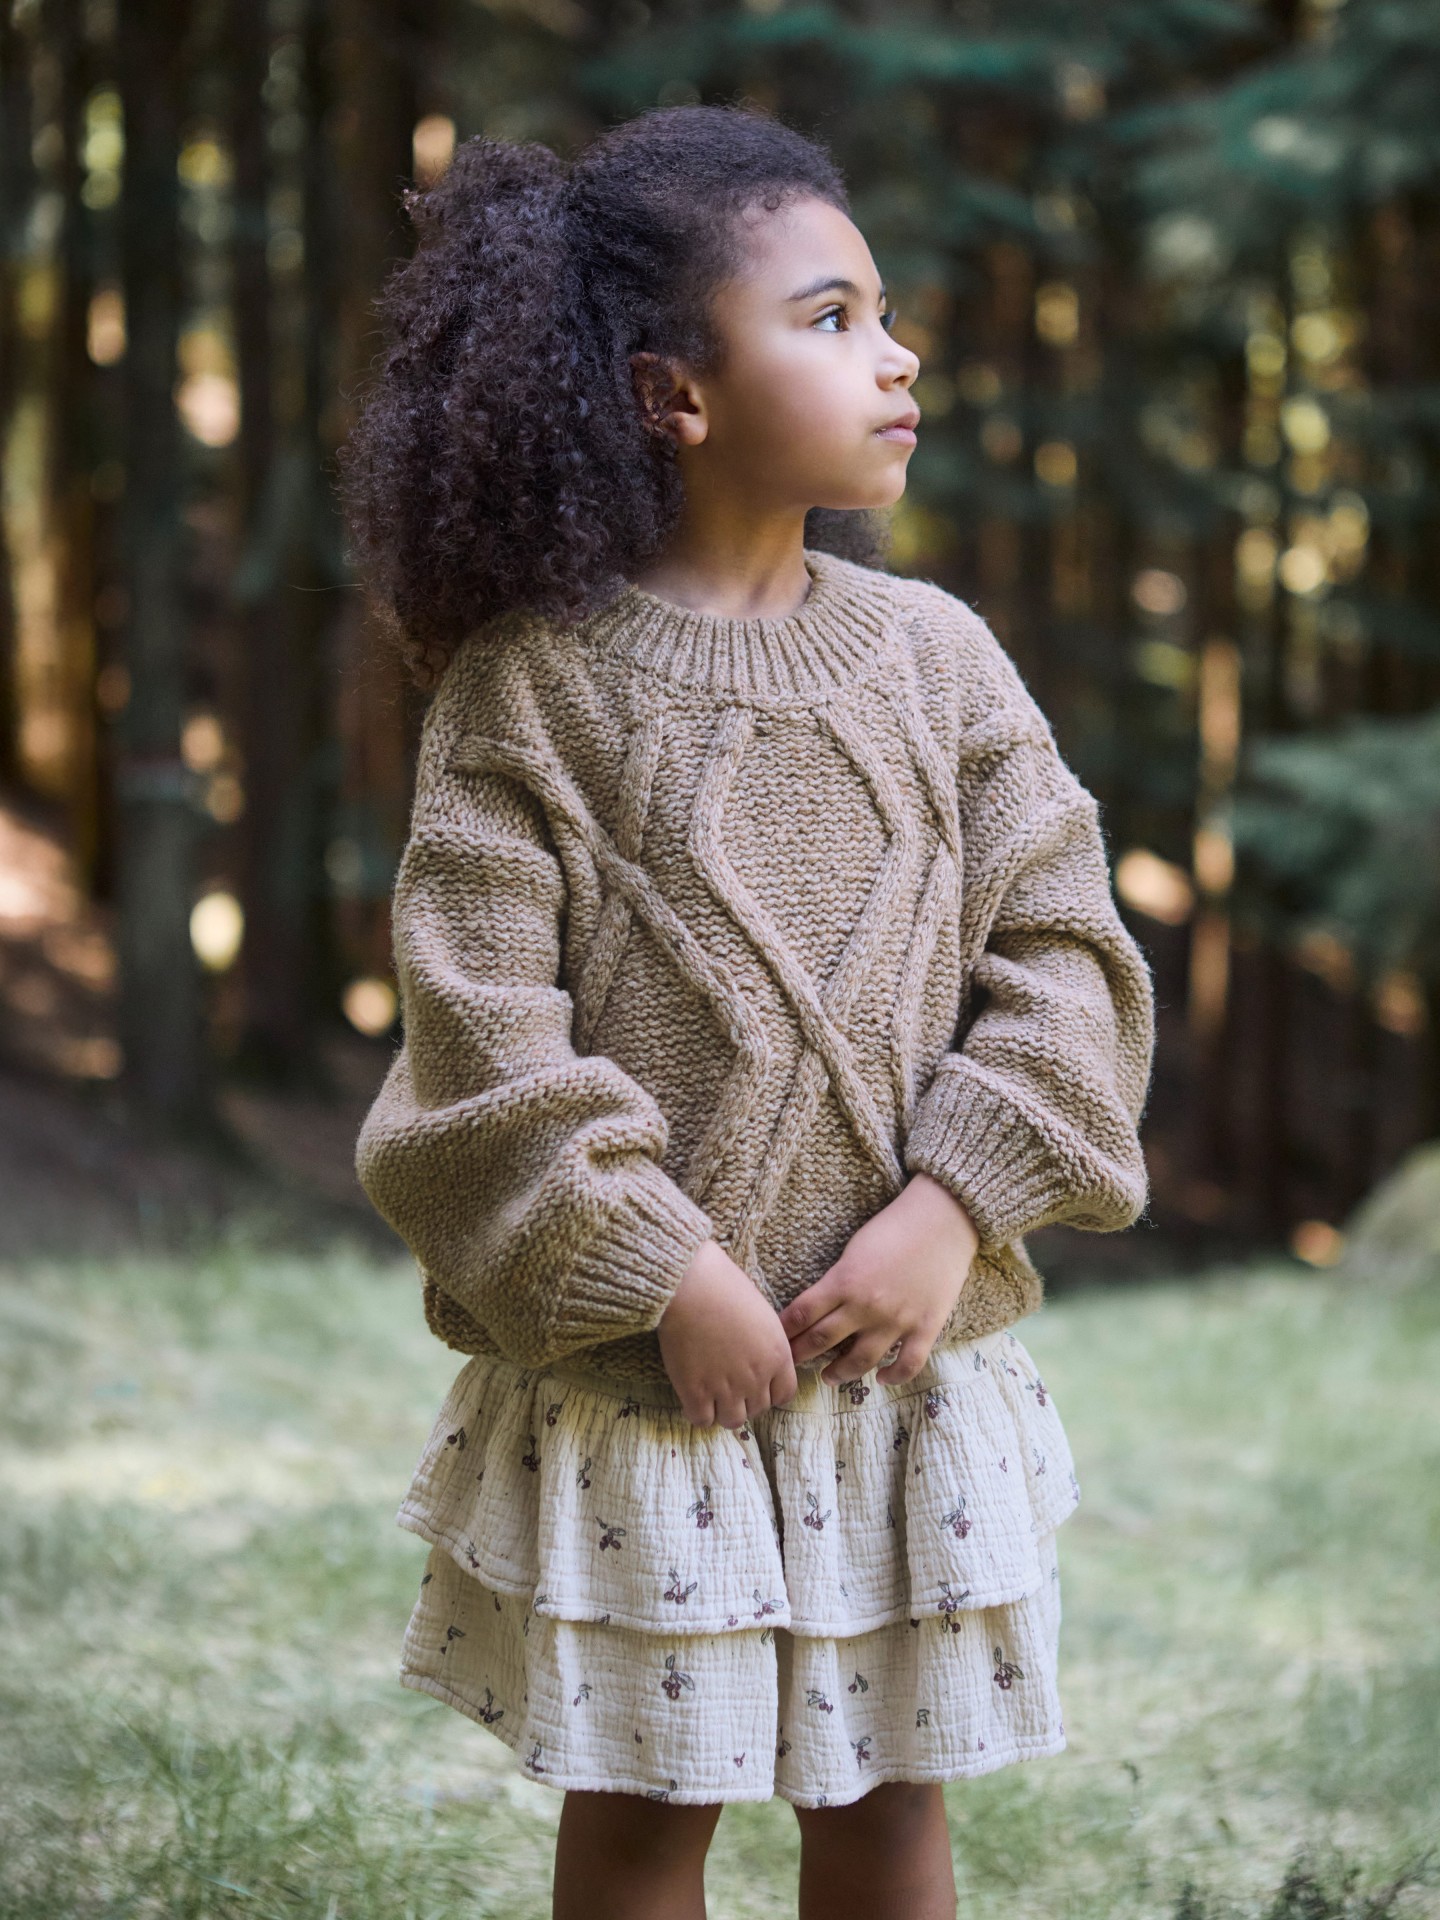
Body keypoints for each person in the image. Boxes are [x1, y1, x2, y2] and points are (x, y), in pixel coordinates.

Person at [340, 101, 1154, 1920]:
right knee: (643, 1827)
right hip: (656, 1401)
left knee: (888, 1821)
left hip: (899, 1383)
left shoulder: (937, 659)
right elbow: (484, 1038)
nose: (898, 350)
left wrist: (952, 1214)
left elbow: (1069, 956)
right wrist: (665, 1272)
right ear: (672, 397)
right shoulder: (530, 690)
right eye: (831, 315)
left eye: (882, 314)